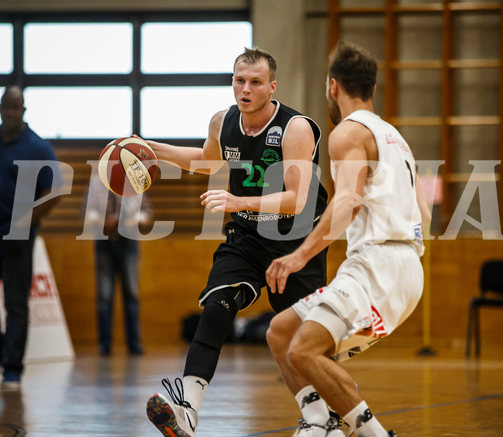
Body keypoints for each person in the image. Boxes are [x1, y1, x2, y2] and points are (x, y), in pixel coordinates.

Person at [143, 47, 329, 437]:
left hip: (295, 238)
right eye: (239, 80)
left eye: (255, 82)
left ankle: (322, 416)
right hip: (246, 233)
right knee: (217, 305)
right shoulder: (222, 121)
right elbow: (206, 160)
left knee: (301, 338)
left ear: (271, 87)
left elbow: (297, 198)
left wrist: (237, 200)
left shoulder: (295, 128)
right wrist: (155, 149)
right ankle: (187, 410)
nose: (245, 89)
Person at [265, 41, 432, 437]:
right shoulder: (397, 140)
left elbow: (348, 203)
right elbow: (425, 215)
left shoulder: (346, 134)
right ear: (372, 89)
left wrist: (299, 255)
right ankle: (321, 424)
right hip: (406, 267)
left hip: (377, 264)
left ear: (332, 85)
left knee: (304, 351)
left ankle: (374, 435)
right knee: (281, 332)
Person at [0, 85, 62, 389]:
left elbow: (53, 190)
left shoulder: (37, 147)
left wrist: (26, 220)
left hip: (17, 238)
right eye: (6, 107)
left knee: (16, 303)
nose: (10, 112)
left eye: (16, 108)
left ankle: (12, 368)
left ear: (23, 111)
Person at [81, 173, 154, 356]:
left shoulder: (135, 182)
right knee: (104, 295)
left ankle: (134, 343)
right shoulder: (96, 182)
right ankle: (105, 344)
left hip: (128, 241)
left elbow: (146, 214)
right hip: (104, 240)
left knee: (131, 294)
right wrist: (103, 221)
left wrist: (132, 221)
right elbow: (87, 212)